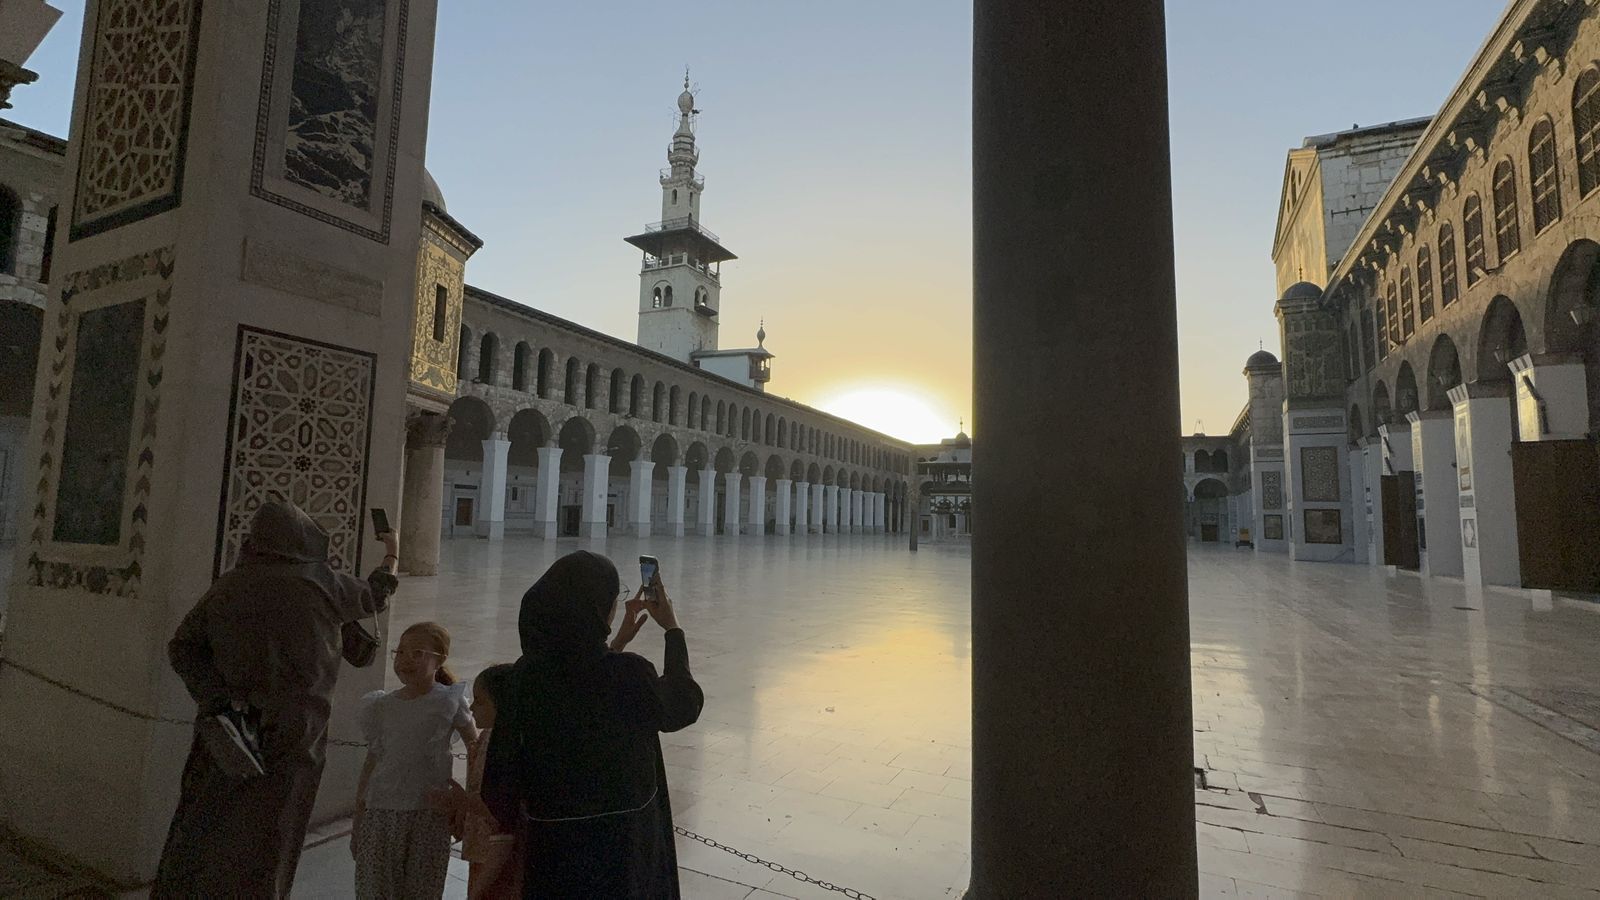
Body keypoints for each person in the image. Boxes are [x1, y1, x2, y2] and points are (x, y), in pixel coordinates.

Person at [154, 500, 399, 898]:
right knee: (273, 838)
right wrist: (391, 551)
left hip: (230, 733)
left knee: (206, 828)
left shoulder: (230, 585)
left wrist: (217, 701)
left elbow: (183, 648)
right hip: (295, 736)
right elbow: (376, 593)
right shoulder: (321, 582)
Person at [482, 551, 704, 898]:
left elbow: (498, 783)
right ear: (598, 610)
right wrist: (672, 629)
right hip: (621, 851)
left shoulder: (523, 676)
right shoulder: (628, 673)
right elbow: (683, 703)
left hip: (551, 854)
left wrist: (615, 644)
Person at [353, 621, 478, 900]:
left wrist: (467, 803)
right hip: (382, 814)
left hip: (429, 815)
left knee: (422, 889)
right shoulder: (381, 706)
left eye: (417, 653)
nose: (405, 660)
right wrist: (358, 817)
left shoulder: (449, 700)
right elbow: (373, 761)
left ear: (440, 659)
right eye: (400, 652)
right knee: (376, 890)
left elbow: (475, 749)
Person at [459, 663, 521, 900]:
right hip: (478, 845)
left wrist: (461, 801)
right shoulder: (485, 737)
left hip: (497, 849)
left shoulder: (507, 747)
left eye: (480, 701)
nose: (472, 707)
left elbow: (497, 804)